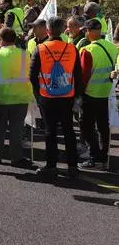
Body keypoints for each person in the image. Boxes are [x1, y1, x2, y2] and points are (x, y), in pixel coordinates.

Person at [29, 17, 83, 179]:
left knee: (50, 131)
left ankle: (51, 166)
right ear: (62, 30)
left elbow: (32, 75)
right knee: (69, 131)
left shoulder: (41, 48)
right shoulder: (72, 48)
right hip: (67, 95)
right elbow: (78, 75)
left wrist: (38, 95)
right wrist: (77, 96)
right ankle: (73, 166)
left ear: (48, 30)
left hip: (47, 96)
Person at [0, 28, 33, 168]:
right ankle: (16, 157)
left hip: (1, 97)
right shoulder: (26, 55)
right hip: (21, 96)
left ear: (0, 40)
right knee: (16, 129)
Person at [78, 19, 118, 169]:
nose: (85, 33)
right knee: (104, 126)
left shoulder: (87, 50)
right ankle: (104, 155)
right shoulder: (112, 47)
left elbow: (84, 76)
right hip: (107, 94)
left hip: (90, 95)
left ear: (90, 31)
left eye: (86, 30)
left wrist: (78, 94)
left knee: (87, 127)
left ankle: (94, 155)